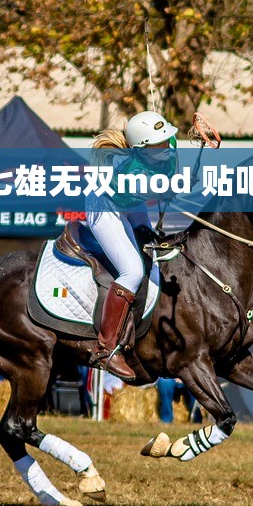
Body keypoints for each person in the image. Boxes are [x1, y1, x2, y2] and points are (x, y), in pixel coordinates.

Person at [83, 110, 180, 382]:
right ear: (141, 150)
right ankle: (107, 348)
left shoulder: (164, 148)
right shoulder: (127, 169)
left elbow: (172, 154)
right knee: (132, 271)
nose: (166, 145)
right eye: (158, 143)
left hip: (130, 205)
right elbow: (156, 189)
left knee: (152, 248)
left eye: (166, 139)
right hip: (105, 207)